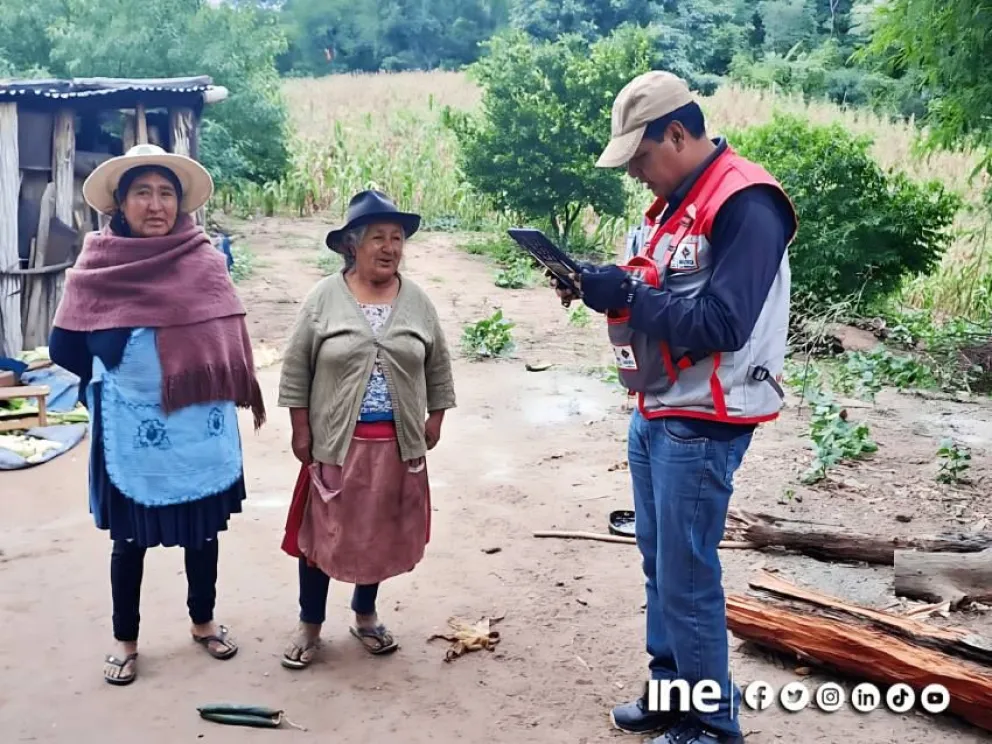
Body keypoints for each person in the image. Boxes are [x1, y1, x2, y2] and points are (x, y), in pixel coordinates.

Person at [554, 72, 798, 744]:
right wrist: (600, 287)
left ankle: (713, 726)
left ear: (679, 133)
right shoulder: (672, 205)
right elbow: (660, 286)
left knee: (688, 577)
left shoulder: (748, 202)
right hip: (660, 406)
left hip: (706, 418)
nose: (635, 172)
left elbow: (724, 322)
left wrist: (628, 299)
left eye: (640, 157)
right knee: (661, 563)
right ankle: (671, 693)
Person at [48, 144, 267, 686]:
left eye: (166, 193)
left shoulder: (205, 262)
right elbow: (63, 347)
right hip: (130, 427)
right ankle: (126, 641)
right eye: (142, 192)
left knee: (202, 535)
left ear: (180, 203)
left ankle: (203, 622)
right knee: (130, 541)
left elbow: (229, 334)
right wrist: (115, 352)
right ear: (120, 204)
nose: (156, 204)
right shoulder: (97, 265)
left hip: (196, 425)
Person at [277, 189, 456, 669]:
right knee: (323, 536)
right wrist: (300, 429)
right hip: (337, 442)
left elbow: (437, 364)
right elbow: (296, 367)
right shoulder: (324, 297)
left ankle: (365, 614)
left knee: (377, 532)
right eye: (377, 237)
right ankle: (310, 625)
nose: (389, 247)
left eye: (396, 238)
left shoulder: (417, 301)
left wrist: (435, 415)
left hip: (395, 443)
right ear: (351, 245)